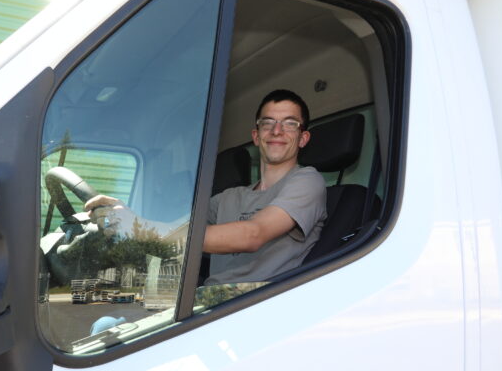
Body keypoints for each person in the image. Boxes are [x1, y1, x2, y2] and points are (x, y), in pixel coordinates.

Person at [85, 89, 327, 285]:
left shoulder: (308, 181)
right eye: (268, 123)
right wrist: (123, 214)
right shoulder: (229, 198)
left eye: (290, 124)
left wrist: (142, 229)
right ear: (256, 135)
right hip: (210, 302)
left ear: (303, 138)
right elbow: (178, 228)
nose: (277, 131)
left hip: (257, 306)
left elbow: (253, 235)